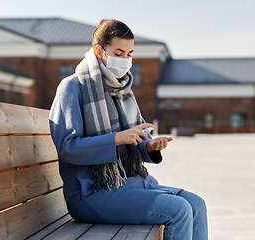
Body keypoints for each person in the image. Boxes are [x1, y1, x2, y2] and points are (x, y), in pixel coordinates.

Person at [49, 19, 208, 240]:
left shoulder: (123, 90)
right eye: (119, 52)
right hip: (92, 193)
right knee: (179, 210)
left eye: (129, 54)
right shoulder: (72, 87)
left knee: (197, 204)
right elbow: (67, 148)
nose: (125, 60)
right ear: (99, 51)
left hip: (129, 184)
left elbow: (137, 139)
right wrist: (116, 138)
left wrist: (150, 146)